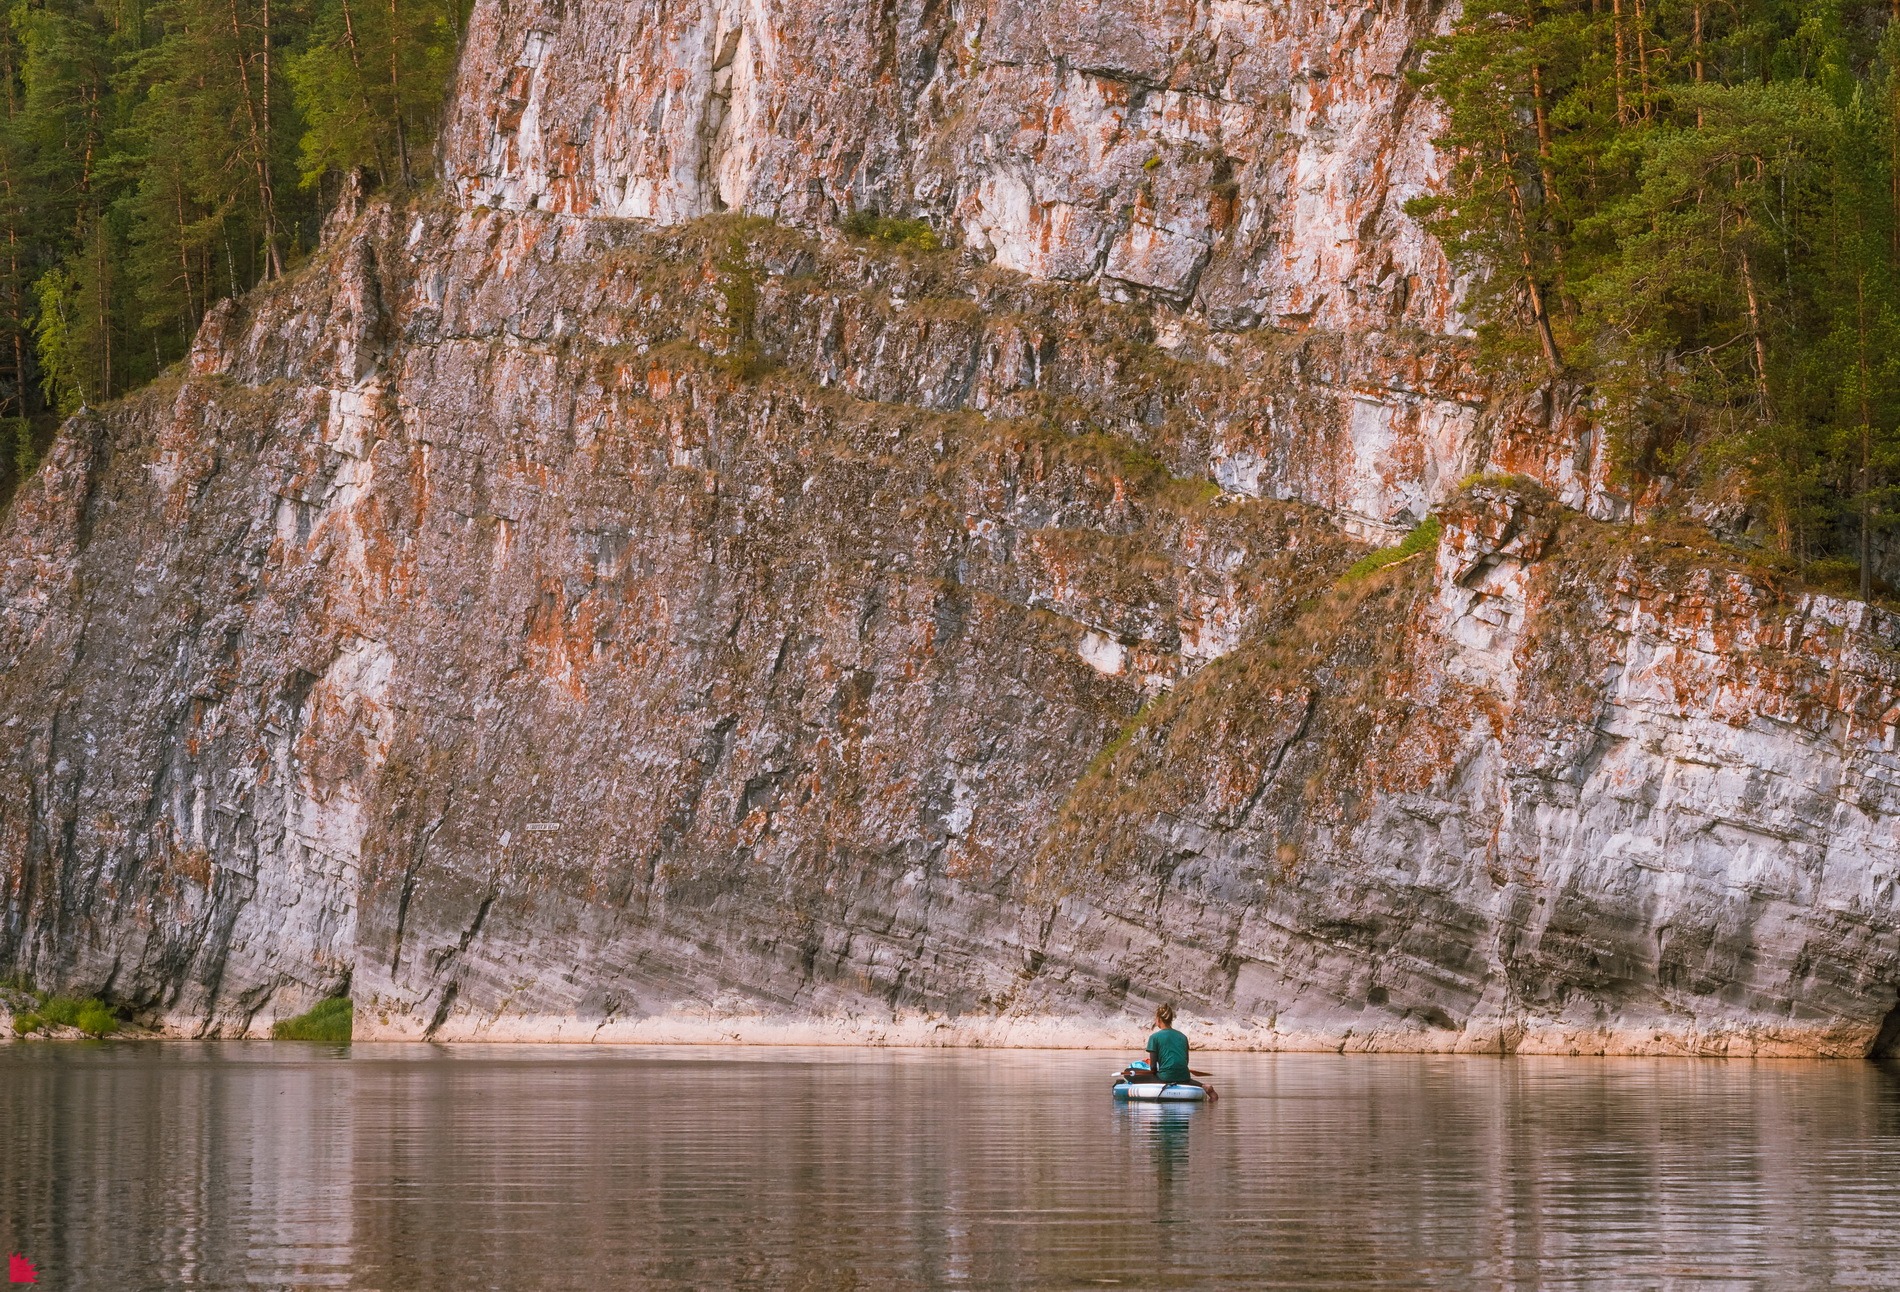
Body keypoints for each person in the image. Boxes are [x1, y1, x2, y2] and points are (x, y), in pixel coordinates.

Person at [1129, 1003, 1217, 1100]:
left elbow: (1153, 1067)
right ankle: (1205, 1086)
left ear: (1158, 1019)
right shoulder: (1183, 1037)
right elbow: (1186, 1061)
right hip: (1184, 1076)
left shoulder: (1154, 1037)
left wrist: (1157, 1071)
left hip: (1165, 1077)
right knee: (1183, 1078)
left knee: (1129, 1073)